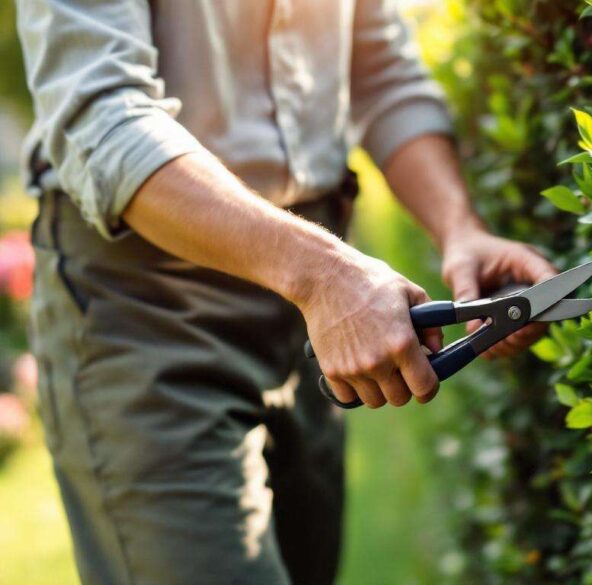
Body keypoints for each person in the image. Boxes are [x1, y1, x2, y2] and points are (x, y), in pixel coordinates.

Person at [16, 1, 555, 583]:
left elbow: (381, 73)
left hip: (306, 300)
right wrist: (322, 274)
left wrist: (459, 228)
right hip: (143, 303)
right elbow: (103, 119)